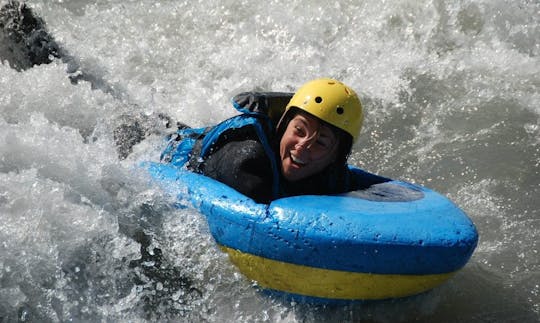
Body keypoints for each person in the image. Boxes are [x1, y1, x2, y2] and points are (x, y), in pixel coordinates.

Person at [161, 78, 382, 204]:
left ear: (336, 156)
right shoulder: (247, 162)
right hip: (162, 146)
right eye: (299, 130)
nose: (302, 147)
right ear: (283, 126)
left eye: (321, 142)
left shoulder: (333, 173)